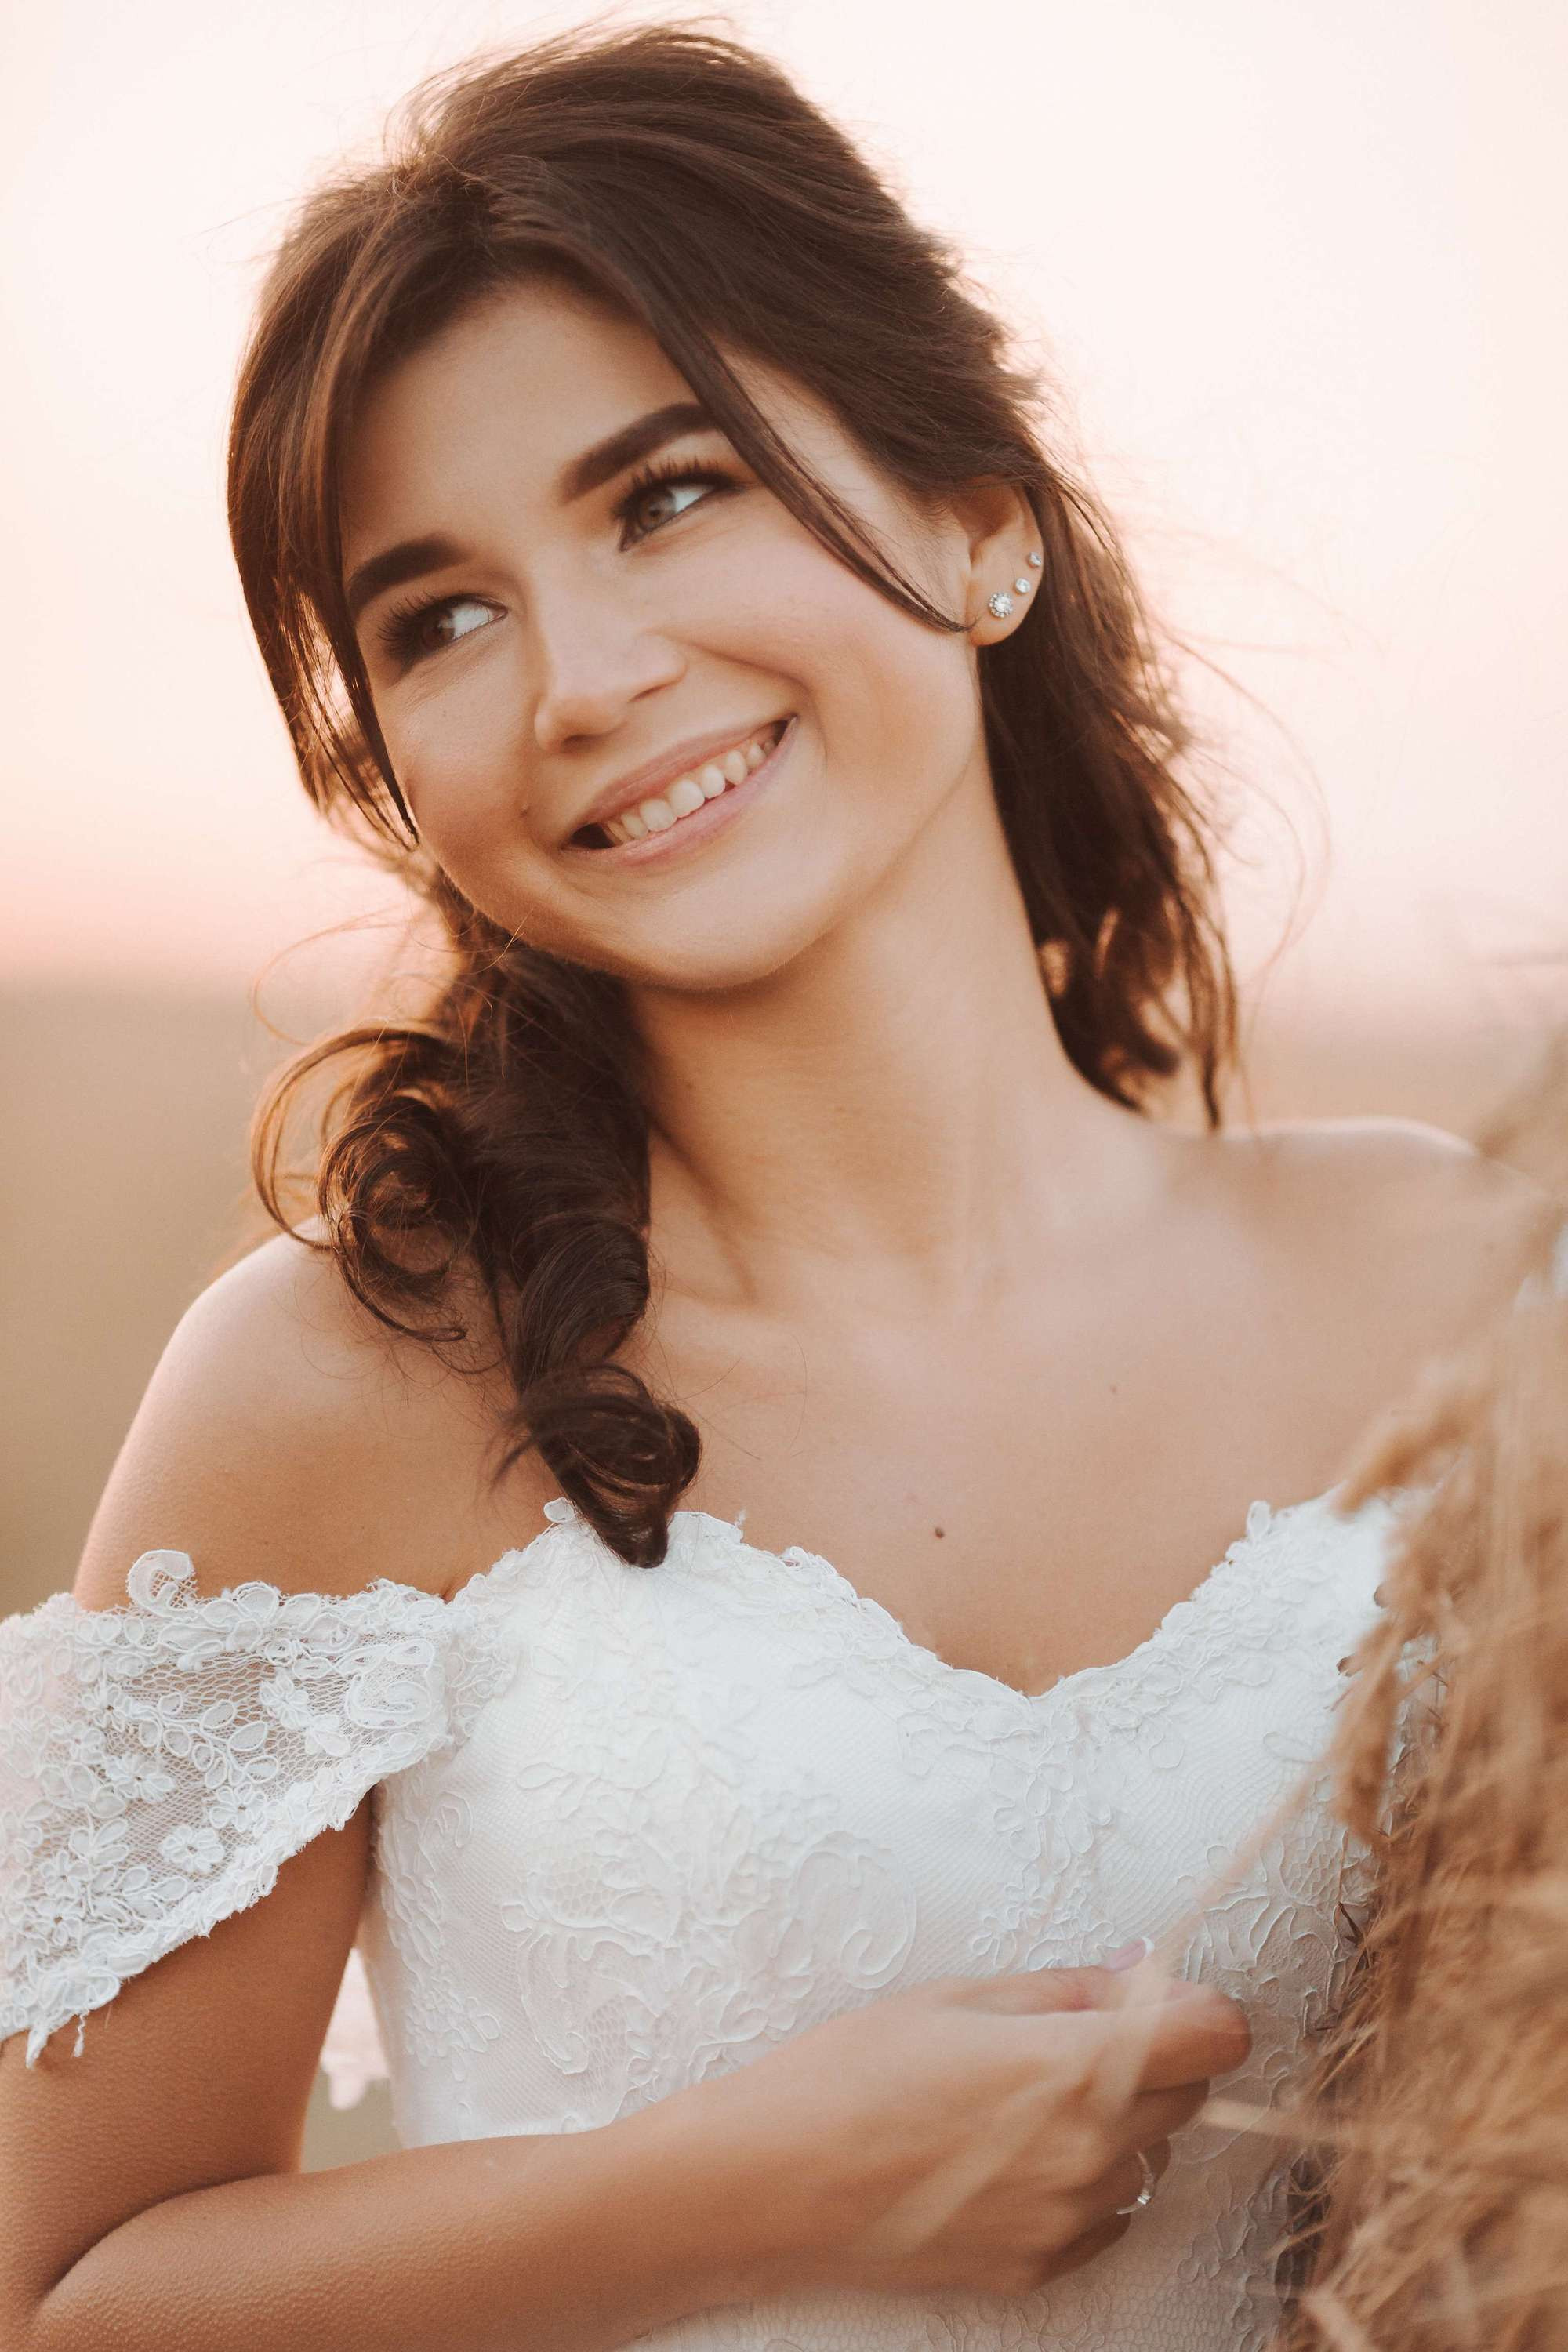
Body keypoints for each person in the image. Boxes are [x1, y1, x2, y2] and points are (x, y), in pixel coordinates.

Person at [0, 21, 1550, 2352]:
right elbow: (58, 2298)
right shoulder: (338, 1391)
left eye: (666, 496)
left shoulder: (1450, 1293)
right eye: (441, 617)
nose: (583, 677)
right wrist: (727, 2199)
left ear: (980, 517)